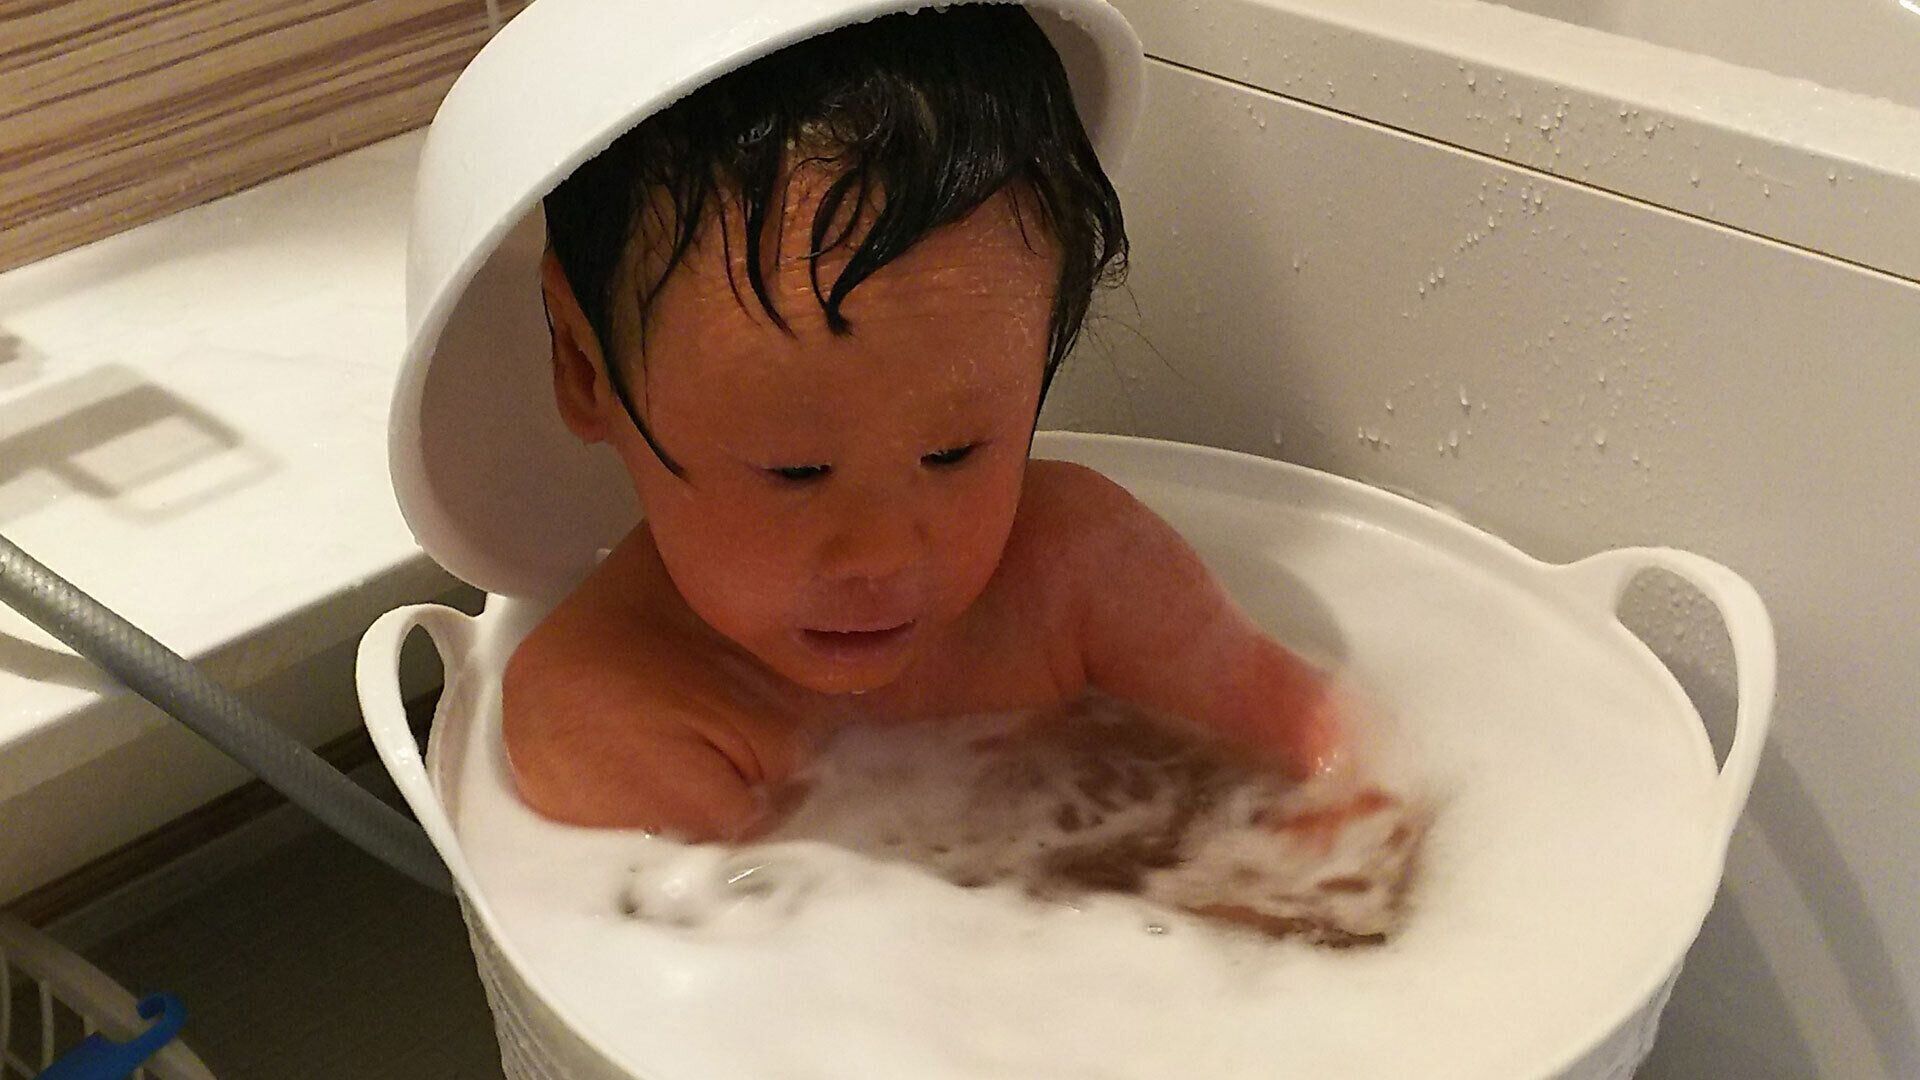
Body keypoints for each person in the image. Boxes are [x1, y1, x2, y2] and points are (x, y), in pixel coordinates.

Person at [502, 4, 1348, 839]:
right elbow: (746, 931)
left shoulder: (1083, 573)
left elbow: (1335, 774)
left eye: (953, 454)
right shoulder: (605, 711)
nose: (883, 556)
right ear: (585, 365)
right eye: (797, 472)